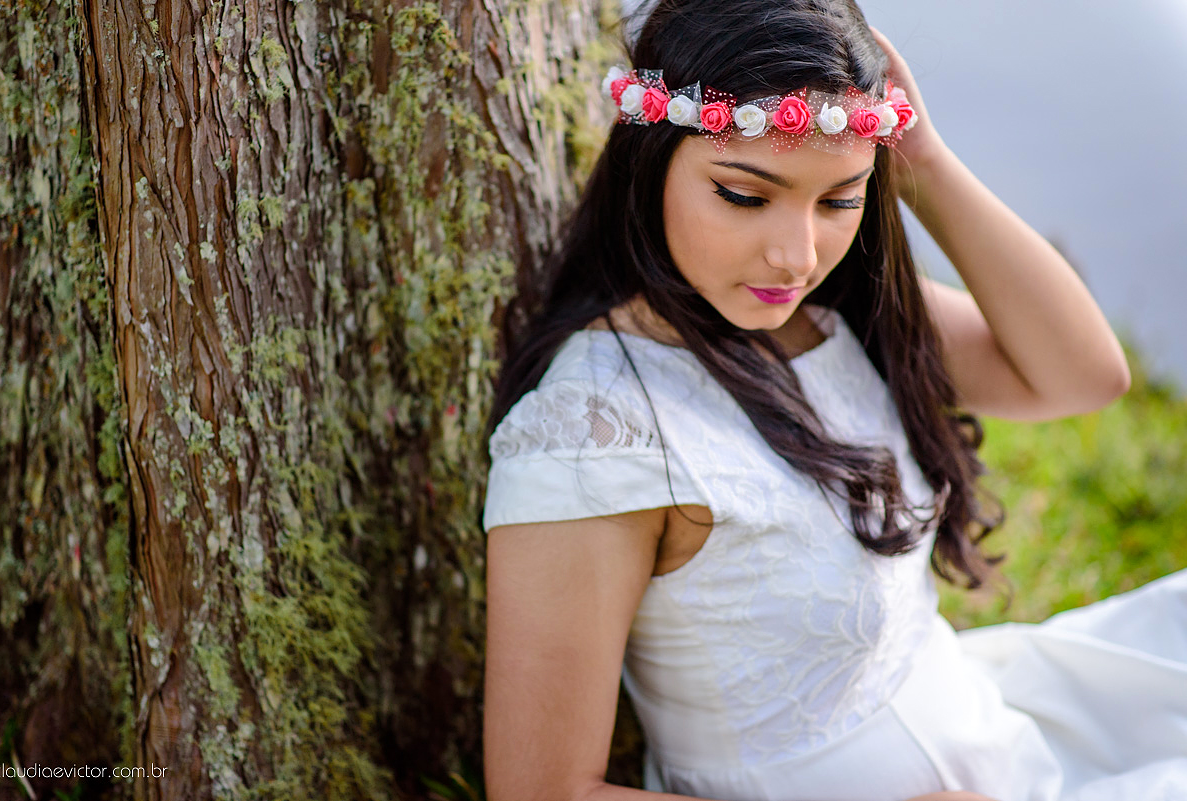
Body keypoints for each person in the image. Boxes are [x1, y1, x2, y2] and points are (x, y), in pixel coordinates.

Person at [478, 1, 1187, 799]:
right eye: (745, 196)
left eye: (839, 199)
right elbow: (542, 791)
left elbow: (1085, 376)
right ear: (652, 159)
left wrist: (925, 160)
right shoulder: (594, 429)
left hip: (1003, 736)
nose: (797, 252)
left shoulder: (826, 315)